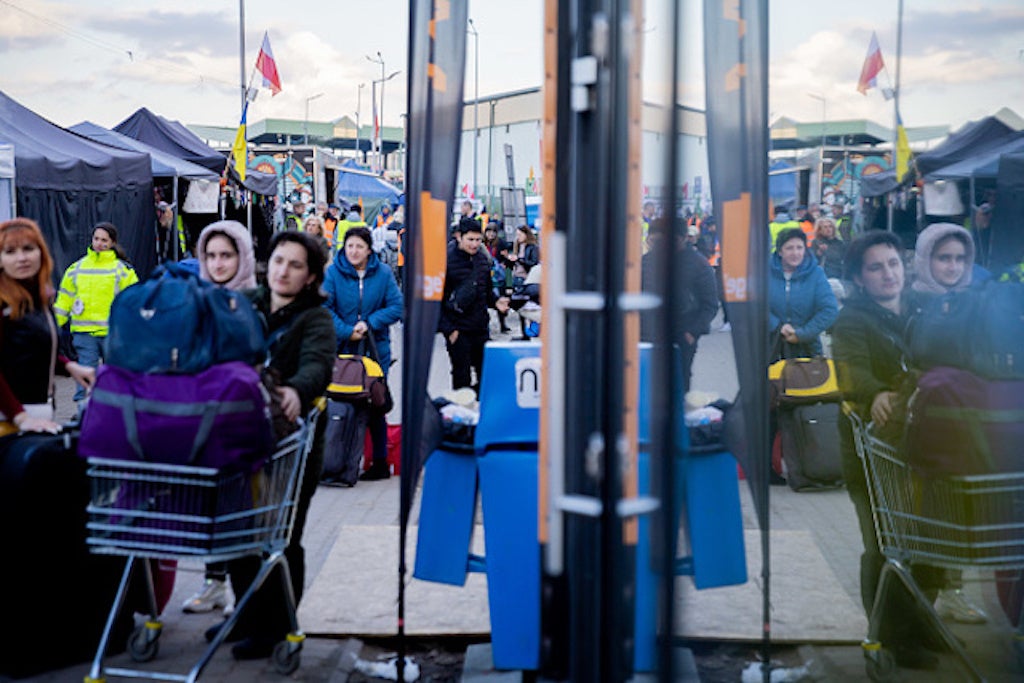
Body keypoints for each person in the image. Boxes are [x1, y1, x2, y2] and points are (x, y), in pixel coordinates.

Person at [213, 231, 335, 661]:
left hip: (292, 447)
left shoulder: (316, 319)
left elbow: (318, 365)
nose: (283, 271)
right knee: (239, 534)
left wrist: (298, 390)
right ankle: (246, 616)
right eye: (279, 261)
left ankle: (278, 626)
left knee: (282, 536)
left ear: (310, 276)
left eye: (295, 265)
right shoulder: (245, 304)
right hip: (243, 438)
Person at [832, 230, 946, 670]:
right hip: (872, 454)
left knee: (929, 540)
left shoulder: (924, 309)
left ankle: (921, 621)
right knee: (884, 545)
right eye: (876, 268)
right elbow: (850, 368)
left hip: (921, 448)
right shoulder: (852, 320)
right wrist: (876, 392)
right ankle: (890, 634)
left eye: (894, 264)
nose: (888, 275)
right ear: (860, 279)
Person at [907, 222, 989, 626]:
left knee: (959, 511)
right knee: (925, 512)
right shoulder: (909, 302)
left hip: (965, 424)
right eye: (943, 258)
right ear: (926, 259)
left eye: (960, 258)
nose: (953, 267)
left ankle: (952, 589)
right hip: (923, 427)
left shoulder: (977, 302)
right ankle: (924, 592)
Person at [178, 220, 258, 617]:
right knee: (208, 505)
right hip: (201, 419)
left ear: (242, 255)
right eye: (210, 255)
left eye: (227, 254)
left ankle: (241, 587)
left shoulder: (255, 301)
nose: (219, 262)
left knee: (238, 507)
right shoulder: (195, 298)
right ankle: (214, 583)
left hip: (241, 422)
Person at [0, 218, 96, 435]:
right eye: (10, 251)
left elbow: (28, 349)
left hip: (38, 416)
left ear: (41, 252)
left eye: (28, 248)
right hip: (10, 423)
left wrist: (67, 366)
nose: (22, 258)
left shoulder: (39, 299)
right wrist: (20, 416)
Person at [323, 226, 403, 481]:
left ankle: (379, 461)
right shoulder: (333, 273)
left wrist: (369, 323)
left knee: (375, 403)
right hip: (341, 350)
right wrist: (347, 331)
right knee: (339, 403)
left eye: (359, 246)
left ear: (369, 249)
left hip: (373, 351)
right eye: (350, 246)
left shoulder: (383, 273)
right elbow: (324, 307)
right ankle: (335, 460)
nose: (354, 251)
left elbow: (396, 306)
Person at [53, 222, 138, 404]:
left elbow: (133, 303)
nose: (99, 243)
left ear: (113, 243)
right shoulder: (76, 269)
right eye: (96, 238)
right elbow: (63, 302)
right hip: (85, 335)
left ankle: (114, 415)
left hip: (113, 335)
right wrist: (50, 327)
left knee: (115, 379)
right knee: (85, 379)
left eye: (104, 240)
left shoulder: (123, 271)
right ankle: (83, 417)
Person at [640, 218, 719, 393]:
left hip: (682, 336)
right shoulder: (643, 263)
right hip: (647, 335)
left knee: (679, 382)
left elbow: (711, 305)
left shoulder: (699, 265)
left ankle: (679, 416)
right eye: (656, 240)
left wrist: (692, 332)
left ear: (683, 238)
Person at [440, 220, 509, 392]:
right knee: (462, 378)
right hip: (458, 330)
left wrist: (496, 302)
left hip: (480, 328)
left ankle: (482, 415)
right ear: (459, 237)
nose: (475, 244)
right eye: (470, 240)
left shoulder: (483, 259)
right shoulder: (445, 261)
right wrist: (450, 331)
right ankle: (462, 415)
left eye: (478, 240)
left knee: (486, 376)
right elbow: (437, 302)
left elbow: (486, 291)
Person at [768, 228, 838, 360]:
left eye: (799, 248)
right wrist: (777, 326)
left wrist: (802, 334)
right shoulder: (765, 273)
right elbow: (756, 305)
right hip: (771, 346)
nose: (795, 253)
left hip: (807, 348)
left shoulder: (816, 273)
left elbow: (829, 310)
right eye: (789, 248)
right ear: (780, 251)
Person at [812, 216, 847, 281]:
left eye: (830, 226)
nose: (828, 229)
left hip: (838, 276)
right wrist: (819, 253)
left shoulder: (840, 244)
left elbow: (845, 260)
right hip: (823, 277)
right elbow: (811, 262)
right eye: (825, 227)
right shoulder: (816, 243)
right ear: (820, 230)